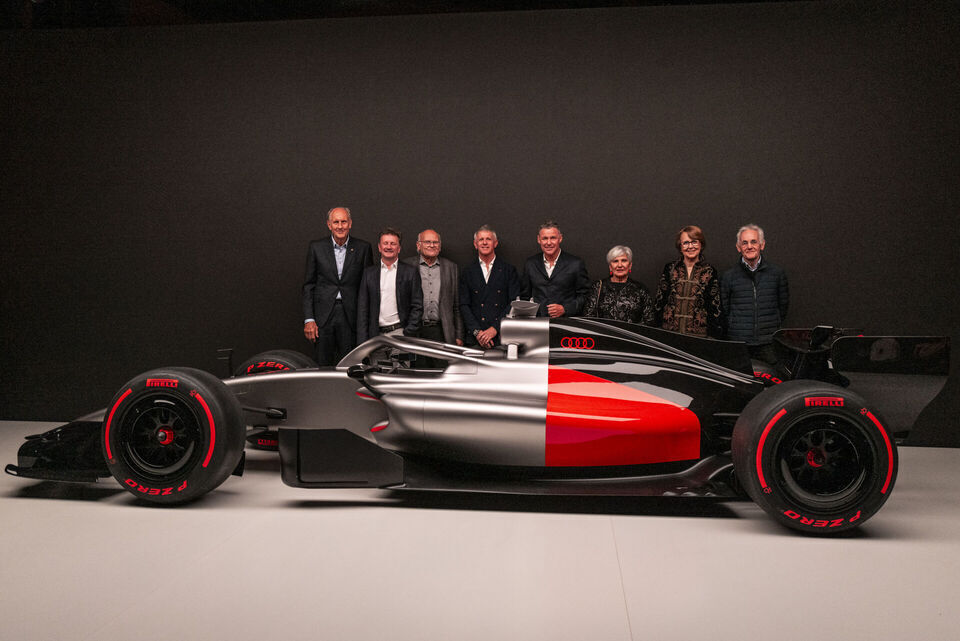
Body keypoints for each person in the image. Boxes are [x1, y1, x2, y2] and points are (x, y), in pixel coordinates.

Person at [301, 206, 373, 365]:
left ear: (350, 223)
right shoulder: (316, 248)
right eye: (336, 222)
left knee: (350, 365)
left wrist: (366, 322)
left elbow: (367, 288)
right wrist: (309, 319)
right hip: (323, 318)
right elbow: (308, 286)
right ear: (329, 225)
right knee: (322, 364)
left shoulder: (363, 248)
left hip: (351, 317)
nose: (340, 226)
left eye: (344, 222)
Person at [721, 224, 789, 364]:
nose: (749, 246)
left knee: (773, 376)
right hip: (739, 342)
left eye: (754, 242)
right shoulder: (728, 276)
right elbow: (724, 308)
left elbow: (783, 306)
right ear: (738, 247)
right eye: (744, 243)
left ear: (762, 245)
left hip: (768, 342)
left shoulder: (777, 274)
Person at [459, 225, 521, 348]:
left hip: (502, 336)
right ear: (475, 244)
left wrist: (494, 329)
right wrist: (477, 333)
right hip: (475, 339)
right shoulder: (468, 272)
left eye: (488, 239)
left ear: (495, 243)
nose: (484, 243)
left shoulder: (508, 270)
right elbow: (464, 305)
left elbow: (514, 303)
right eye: (481, 239)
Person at [654, 225, 723, 338]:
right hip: (669, 334)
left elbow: (715, 306)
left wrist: (713, 336)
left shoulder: (709, 271)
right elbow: (659, 301)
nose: (690, 246)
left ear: (701, 244)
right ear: (680, 247)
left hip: (698, 337)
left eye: (694, 242)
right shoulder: (670, 268)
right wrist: (657, 330)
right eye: (685, 243)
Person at [357, 228, 423, 344]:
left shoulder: (410, 272)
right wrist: (363, 340)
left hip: (400, 334)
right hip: (375, 336)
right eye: (385, 243)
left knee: (402, 358)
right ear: (379, 247)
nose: (389, 247)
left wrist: (408, 332)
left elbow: (417, 305)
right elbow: (363, 309)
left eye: (393, 243)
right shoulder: (369, 273)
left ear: (399, 248)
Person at [401, 229, 463, 347]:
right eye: (427, 242)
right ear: (418, 245)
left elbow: (456, 306)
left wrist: (459, 335)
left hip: (442, 332)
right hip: (414, 331)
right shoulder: (406, 266)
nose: (432, 245)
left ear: (440, 246)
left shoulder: (450, 268)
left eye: (435, 242)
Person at [520, 221, 590, 318]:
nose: (549, 243)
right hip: (538, 322)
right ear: (538, 239)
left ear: (560, 238)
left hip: (566, 322)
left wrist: (565, 309)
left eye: (553, 238)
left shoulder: (575, 264)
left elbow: (585, 295)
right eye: (545, 238)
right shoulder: (530, 264)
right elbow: (524, 297)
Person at [583, 245, 655, 324]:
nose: (620, 265)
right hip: (602, 331)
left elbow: (649, 320)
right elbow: (589, 317)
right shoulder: (598, 286)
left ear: (630, 265)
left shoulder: (640, 289)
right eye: (615, 261)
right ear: (610, 267)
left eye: (624, 260)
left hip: (631, 332)